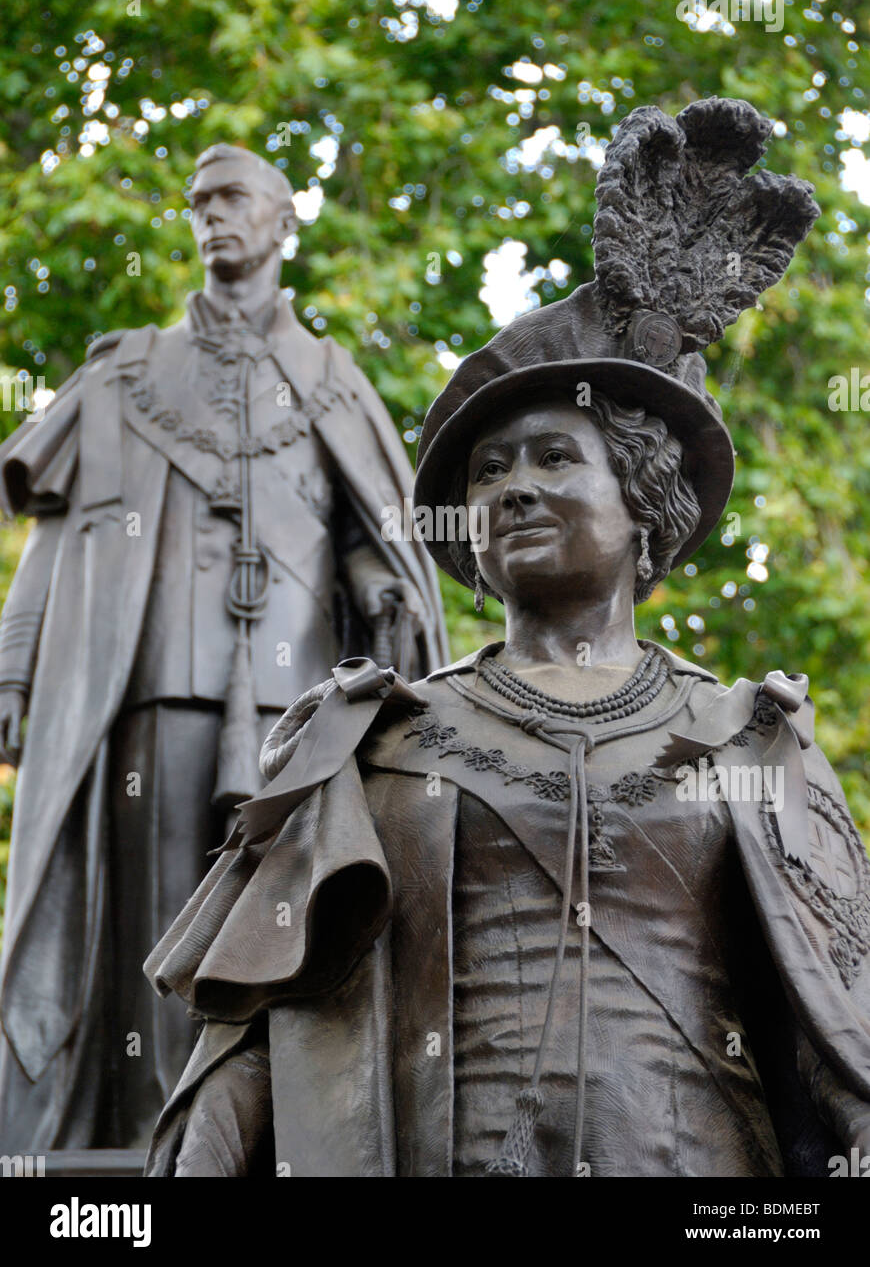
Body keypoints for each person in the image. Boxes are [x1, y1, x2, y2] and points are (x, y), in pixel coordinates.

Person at [145, 99, 870, 1177]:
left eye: (553, 458)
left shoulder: (748, 736)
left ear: (644, 502)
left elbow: (842, 1022)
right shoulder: (370, 739)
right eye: (489, 472)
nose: (513, 488)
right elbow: (251, 1033)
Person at [0, 143, 447, 1158]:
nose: (212, 214)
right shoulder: (125, 369)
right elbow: (56, 542)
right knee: (162, 925)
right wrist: (15, 667)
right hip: (154, 692)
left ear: (284, 221)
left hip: (302, 712)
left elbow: (367, 536)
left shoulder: (332, 380)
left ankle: (271, 1144)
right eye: (198, 200)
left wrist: (383, 592)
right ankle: (152, 1139)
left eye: (234, 197)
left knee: (288, 921)